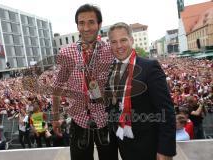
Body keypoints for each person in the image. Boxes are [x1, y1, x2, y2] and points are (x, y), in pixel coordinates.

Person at [105, 22, 176, 160]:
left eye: (123, 40)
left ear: (131, 40)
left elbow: (166, 110)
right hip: (124, 145)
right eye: (114, 42)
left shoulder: (150, 67)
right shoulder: (109, 71)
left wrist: (165, 150)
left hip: (149, 146)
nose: (119, 46)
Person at [51, 4, 113, 160]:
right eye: (81, 23)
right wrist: (55, 116)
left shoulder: (110, 50)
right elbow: (57, 87)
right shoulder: (66, 52)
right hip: (79, 120)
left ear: (99, 24)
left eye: (91, 22)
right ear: (77, 26)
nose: (86, 28)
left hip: (106, 120)